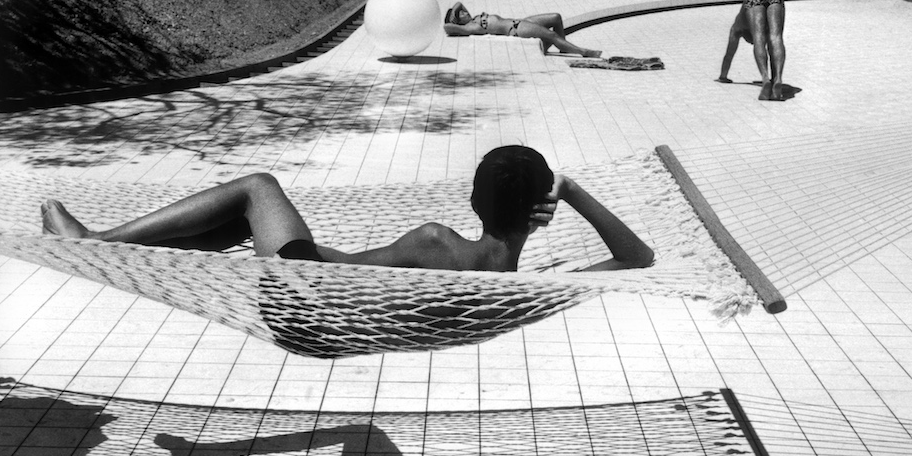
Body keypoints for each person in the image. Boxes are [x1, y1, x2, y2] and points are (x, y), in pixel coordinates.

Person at [41, 146, 654, 273]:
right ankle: (115, 255)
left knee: (256, 187)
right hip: (328, 307)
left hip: (310, 298)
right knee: (230, 226)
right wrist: (569, 192)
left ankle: (94, 243)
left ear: (475, 200)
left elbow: (344, 272)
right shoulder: (518, 286)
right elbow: (637, 257)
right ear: (536, 211)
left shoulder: (440, 241)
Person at [444, 2, 602, 58]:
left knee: (556, 17)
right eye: (461, 14)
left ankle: (564, 47)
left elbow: (458, 3)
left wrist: (455, 11)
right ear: (458, 20)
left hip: (520, 21)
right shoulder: (470, 27)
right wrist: (453, 18)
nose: (465, 11)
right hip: (516, 29)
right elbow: (447, 27)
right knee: (551, 35)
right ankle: (583, 51)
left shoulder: (472, 19)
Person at [718, 0, 786, 101]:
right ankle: (777, 79)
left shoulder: (736, 29)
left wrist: (723, 76)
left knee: (758, 37)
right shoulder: (765, 27)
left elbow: (729, 55)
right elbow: (771, 48)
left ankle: (765, 79)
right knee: (776, 37)